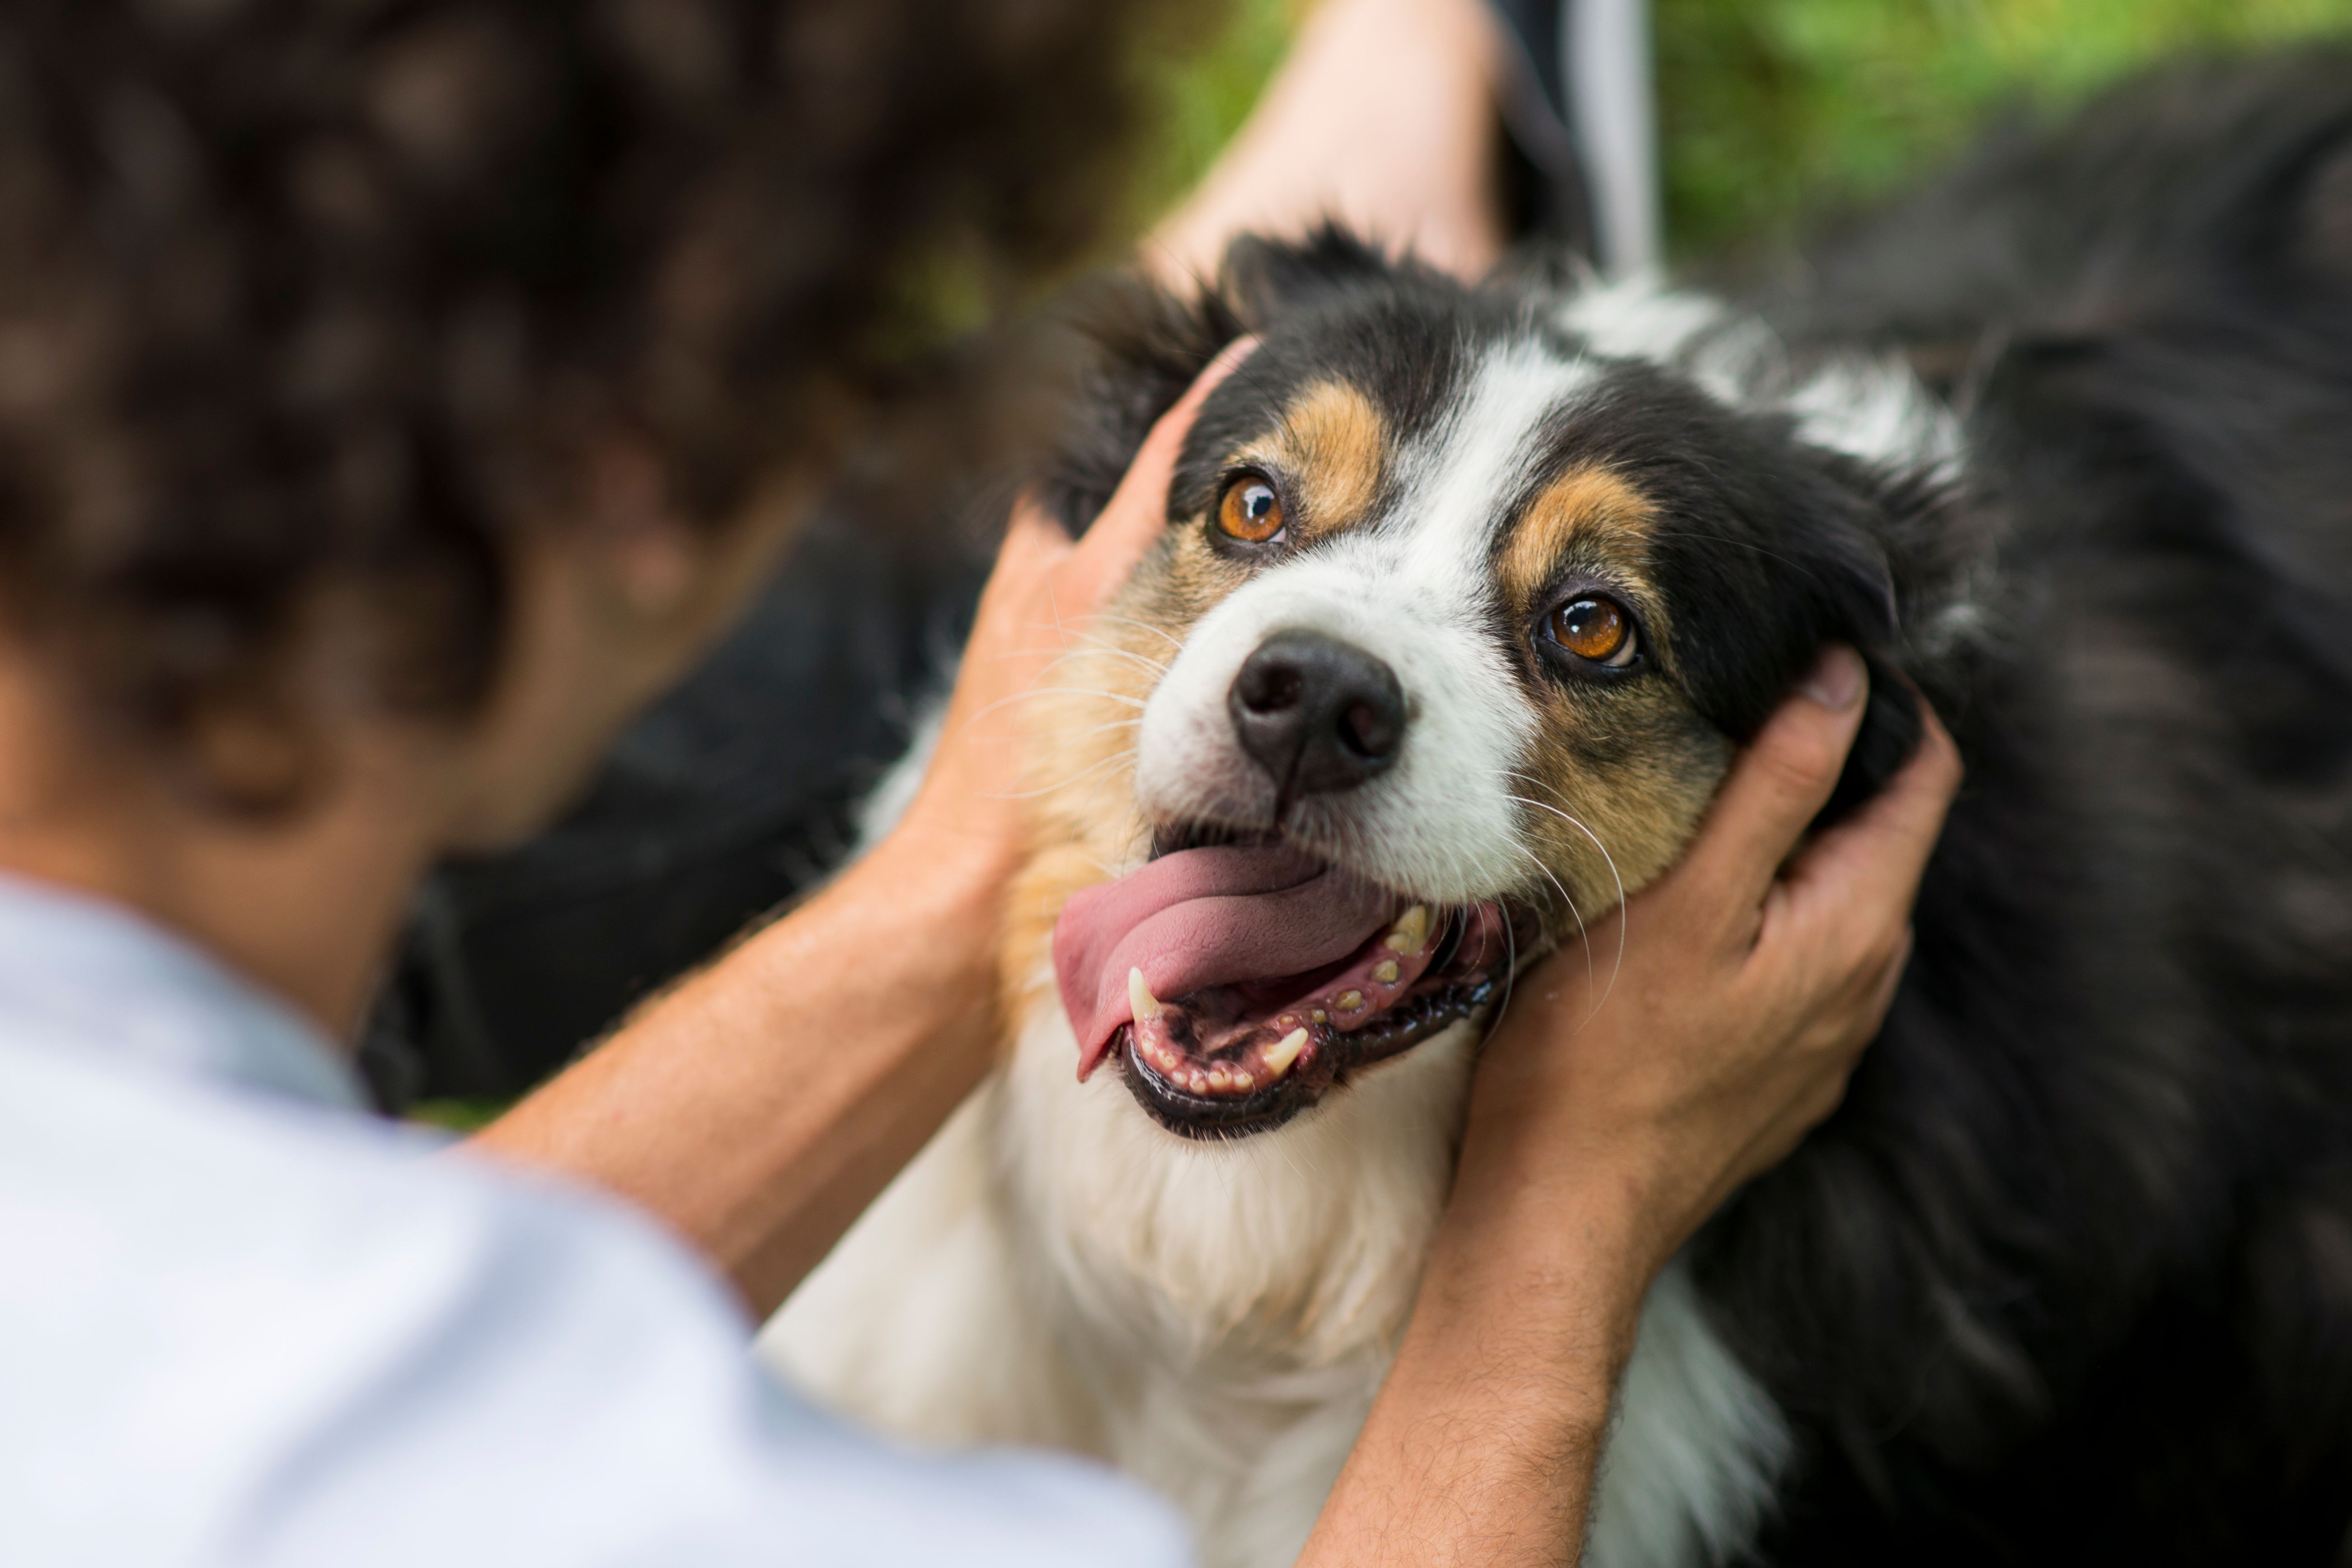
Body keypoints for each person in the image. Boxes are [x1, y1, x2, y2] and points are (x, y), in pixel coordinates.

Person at [0, 4, 1960, 1567]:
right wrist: (1564, 1232)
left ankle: (1400, 101)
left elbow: (350, 1348)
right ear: (638, 480)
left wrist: (967, 869)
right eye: (823, 368)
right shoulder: (714, 1503)